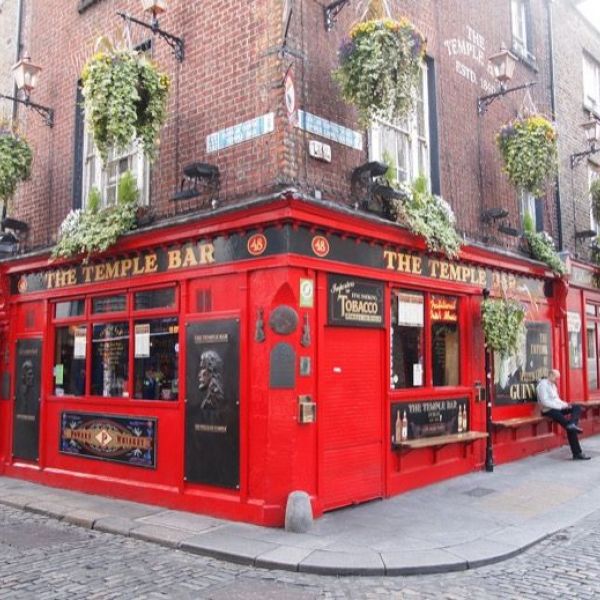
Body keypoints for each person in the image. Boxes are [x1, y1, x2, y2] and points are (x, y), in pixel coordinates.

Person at [536, 369, 591, 460]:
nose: (557, 380)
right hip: (548, 410)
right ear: (550, 375)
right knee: (569, 426)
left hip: (557, 408)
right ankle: (577, 453)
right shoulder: (543, 385)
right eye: (556, 378)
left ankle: (572, 424)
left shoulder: (553, 385)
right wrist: (561, 407)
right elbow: (545, 402)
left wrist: (565, 405)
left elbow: (556, 399)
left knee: (576, 407)